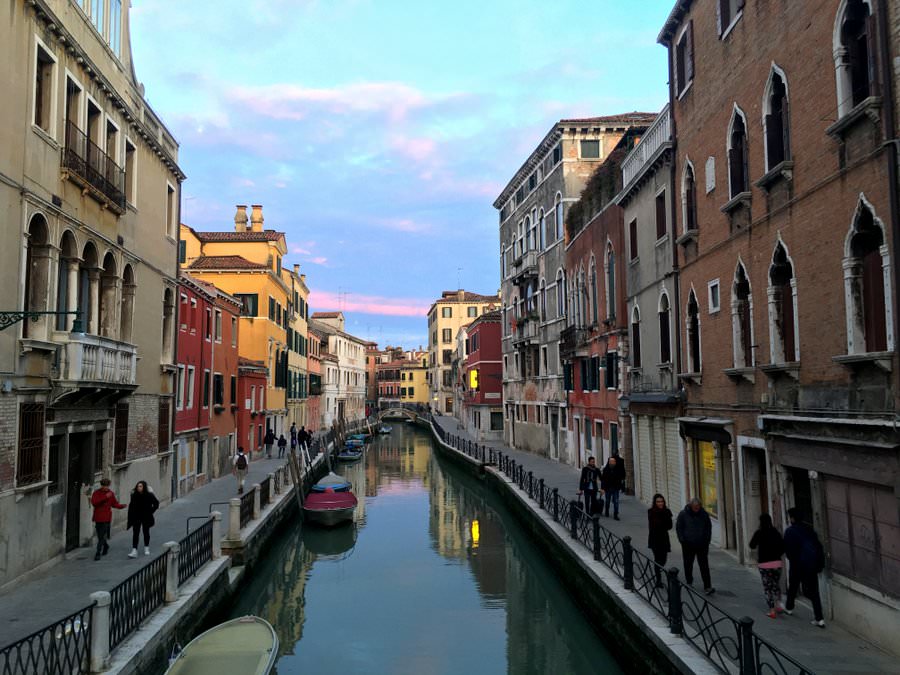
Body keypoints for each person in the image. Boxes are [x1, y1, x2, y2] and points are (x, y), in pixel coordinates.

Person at [783, 507, 826, 627]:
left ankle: (789, 607)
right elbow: (818, 547)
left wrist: (793, 559)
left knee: (793, 586)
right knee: (814, 592)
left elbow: (788, 550)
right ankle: (819, 618)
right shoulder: (810, 530)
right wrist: (819, 564)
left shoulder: (790, 531)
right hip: (811, 566)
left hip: (797, 565)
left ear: (792, 518)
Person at [749, 513, 785, 618]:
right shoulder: (775, 532)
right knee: (776, 584)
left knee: (767, 587)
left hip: (764, 564)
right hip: (777, 563)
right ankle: (778, 604)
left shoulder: (759, 533)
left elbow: (752, 545)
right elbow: (783, 547)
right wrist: (777, 555)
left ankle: (772, 610)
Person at [676, 498, 715, 595]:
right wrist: (682, 540)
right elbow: (679, 528)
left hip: (702, 545)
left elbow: (708, 528)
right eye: (695, 508)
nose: (697, 509)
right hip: (688, 545)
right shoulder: (683, 514)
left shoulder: (704, 514)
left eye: (698, 507)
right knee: (688, 564)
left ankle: (707, 586)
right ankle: (689, 581)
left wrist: (707, 541)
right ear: (691, 506)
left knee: (704, 566)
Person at [90, 478, 126, 561]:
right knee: (100, 536)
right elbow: (94, 503)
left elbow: (114, 504)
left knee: (102, 536)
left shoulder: (111, 494)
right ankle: (106, 546)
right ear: (101, 485)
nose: (105, 488)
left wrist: (121, 506)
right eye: (104, 486)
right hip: (98, 517)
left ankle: (98, 553)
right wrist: (105, 497)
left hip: (106, 518)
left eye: (107, 486)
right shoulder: (96, 493)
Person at [127, 481, 160, 559]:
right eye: (138, 486)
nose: (139, 488)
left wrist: (151, 511)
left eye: (141, 486)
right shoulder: (134, 495)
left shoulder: (149, 495)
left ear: (144, 487)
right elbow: (131, 506)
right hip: (136, 517)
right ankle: (134, 550)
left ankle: (146, 547)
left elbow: (156, 503)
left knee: (146, 532)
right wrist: (131, 516)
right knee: (135, 533)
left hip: (146, 516)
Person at [647, 494, 673, 588]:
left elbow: (669, 526)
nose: (660, 503)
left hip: (664, 538)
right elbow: (655, 525)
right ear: (655, 502)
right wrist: (664, 521)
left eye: (661, 501)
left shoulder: (667, 511)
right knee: (658, 559)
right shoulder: (651, 512)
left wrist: (664, 519)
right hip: (655, 539)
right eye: (658, 502)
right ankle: (658, 580)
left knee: (664, 559)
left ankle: (658, 571)